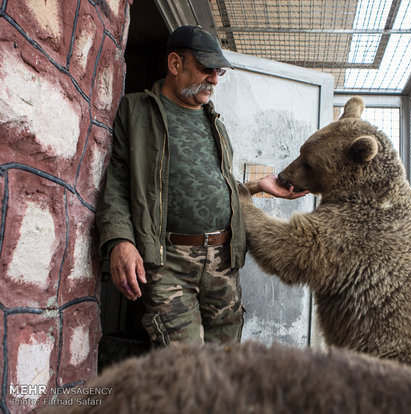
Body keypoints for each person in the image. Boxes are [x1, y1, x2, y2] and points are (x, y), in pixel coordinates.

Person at [95, 25, 306, 346]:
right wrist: (119, 241)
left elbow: (213, 186)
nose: (215, 79)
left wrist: (257, 186)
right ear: (175, 64)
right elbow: (118, 183)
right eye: (206, 69)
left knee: (225, 363)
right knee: (185, 370)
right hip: (168, 262)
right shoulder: (137, 111)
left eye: (218, 71)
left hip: (223, 260)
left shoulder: (216, 124)